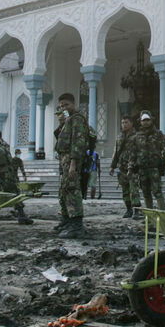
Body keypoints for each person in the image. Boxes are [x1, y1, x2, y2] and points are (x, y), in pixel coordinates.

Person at [54, 93, 90, 239]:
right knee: (64, 190)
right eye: (62, 106)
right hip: (65, 160)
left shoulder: (77, 119)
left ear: (73, 104)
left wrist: (73, 164)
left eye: (66, 105)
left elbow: (78, 142)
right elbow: (60, 138)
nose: (64, 108)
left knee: (72, 189)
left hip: (72, 160)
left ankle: (76, 225)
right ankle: (67, 220)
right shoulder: (68, 120)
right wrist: (61, 123)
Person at [0, 131, 33, 225]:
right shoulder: (4, 146)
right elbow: (8, 159)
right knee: (13, 191)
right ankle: (21, 215)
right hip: (1, 171)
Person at [127, 111, 165, 211]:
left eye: (148, 120)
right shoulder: (137, 137)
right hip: (142, 169)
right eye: (144, 120)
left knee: (157, 192)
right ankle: (150, 216)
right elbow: (133, 154)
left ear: (151, 120)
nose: (146, 122)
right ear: (140, 122)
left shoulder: (158, 134)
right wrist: (130, 168)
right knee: (146, 193)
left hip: (154, 169)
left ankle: (162, 215)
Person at [110, 115, 141, 218]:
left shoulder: (136, 136)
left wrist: (134, 165)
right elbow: (116, 152)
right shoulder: (119, 137)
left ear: (131, 123)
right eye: (123, 123)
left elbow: (139, 152)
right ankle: (128, 210)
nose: (124, 124)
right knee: (125, 190)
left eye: (126, 122)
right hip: (122, 167)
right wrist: (112, 166)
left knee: (134, 190)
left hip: (133, 168)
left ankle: (137, 210)